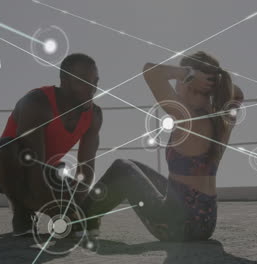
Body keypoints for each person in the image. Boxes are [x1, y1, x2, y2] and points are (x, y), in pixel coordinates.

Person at [80, 51, 244, 241]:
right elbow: (238, 93)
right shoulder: (222, 120)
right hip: (206, 223)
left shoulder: (187, 117)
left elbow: (150, 71)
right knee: (135, 167)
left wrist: (187, 73)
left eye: (180, 78)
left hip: (178, 226)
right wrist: (214, 80)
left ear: (189, 82)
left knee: (122, 168)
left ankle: (78, 222)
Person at [0, 53, 103, 237]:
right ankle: (22, 214)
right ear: (64, 80)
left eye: (95, 81)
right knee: (6, 147)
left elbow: (85, 173)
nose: (92, 88)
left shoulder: (94, 115)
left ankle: (31, 207)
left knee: (84, 202)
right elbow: (33, 168)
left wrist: (78, 204)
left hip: (47, 171)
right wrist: (61, 214)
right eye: (83, 81)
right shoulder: (37, 103)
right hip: (2, 168)